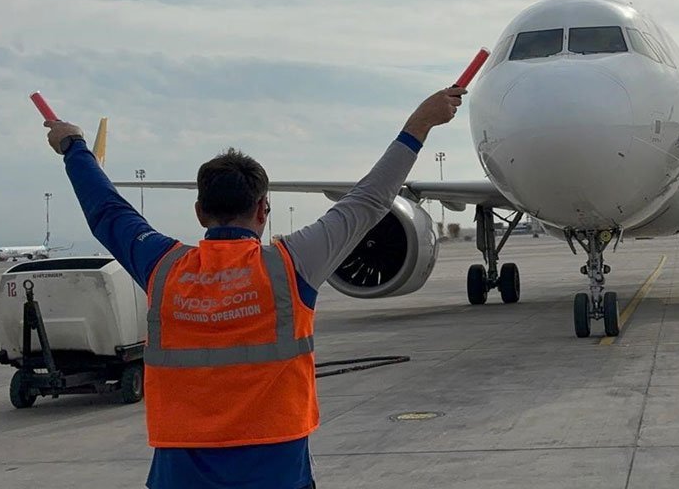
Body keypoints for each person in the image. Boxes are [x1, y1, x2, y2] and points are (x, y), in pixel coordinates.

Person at [43, 87, 465, 489]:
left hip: (181, 472)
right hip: (276, 471)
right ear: (263, 209)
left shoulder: (162, 266)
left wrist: (74, 146)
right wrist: (420, 123)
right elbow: (370, 199)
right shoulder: (290, 265)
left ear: (199, 212)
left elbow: (106, 210)